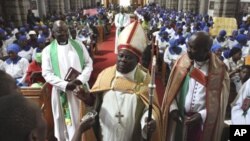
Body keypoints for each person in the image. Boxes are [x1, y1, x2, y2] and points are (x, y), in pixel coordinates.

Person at [88, 21, 162, 141]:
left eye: (128, 57)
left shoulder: (144, 79)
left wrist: (148, 122)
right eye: (121, 56)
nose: (123, 60)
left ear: (137, 60)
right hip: (106, 133)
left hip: (131, 134)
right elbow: (95, 102)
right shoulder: (105, 75)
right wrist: (87, 100)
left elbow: (150, 109)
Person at [161, 31, 230, 141]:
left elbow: (220, 103)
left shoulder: (219, 71)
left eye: (193, 48)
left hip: (202, 124)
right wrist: (173, 108)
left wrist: (202, 115)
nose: (188, 50)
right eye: (188, 45)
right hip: (180, 119)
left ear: (206, 50)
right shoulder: (182, 62)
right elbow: (171, 91)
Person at [42, 20, 93, 141]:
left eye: (65, 30)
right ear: (53, 33)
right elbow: (46, 73)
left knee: (84, 117)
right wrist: (65, 85)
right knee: (67, 124)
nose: (63, 33)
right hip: (62, 93)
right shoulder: (47, 51)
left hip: (81, 90)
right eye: (59, 31)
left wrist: (81, 79)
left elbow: (88, 63)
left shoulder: (78, 45)